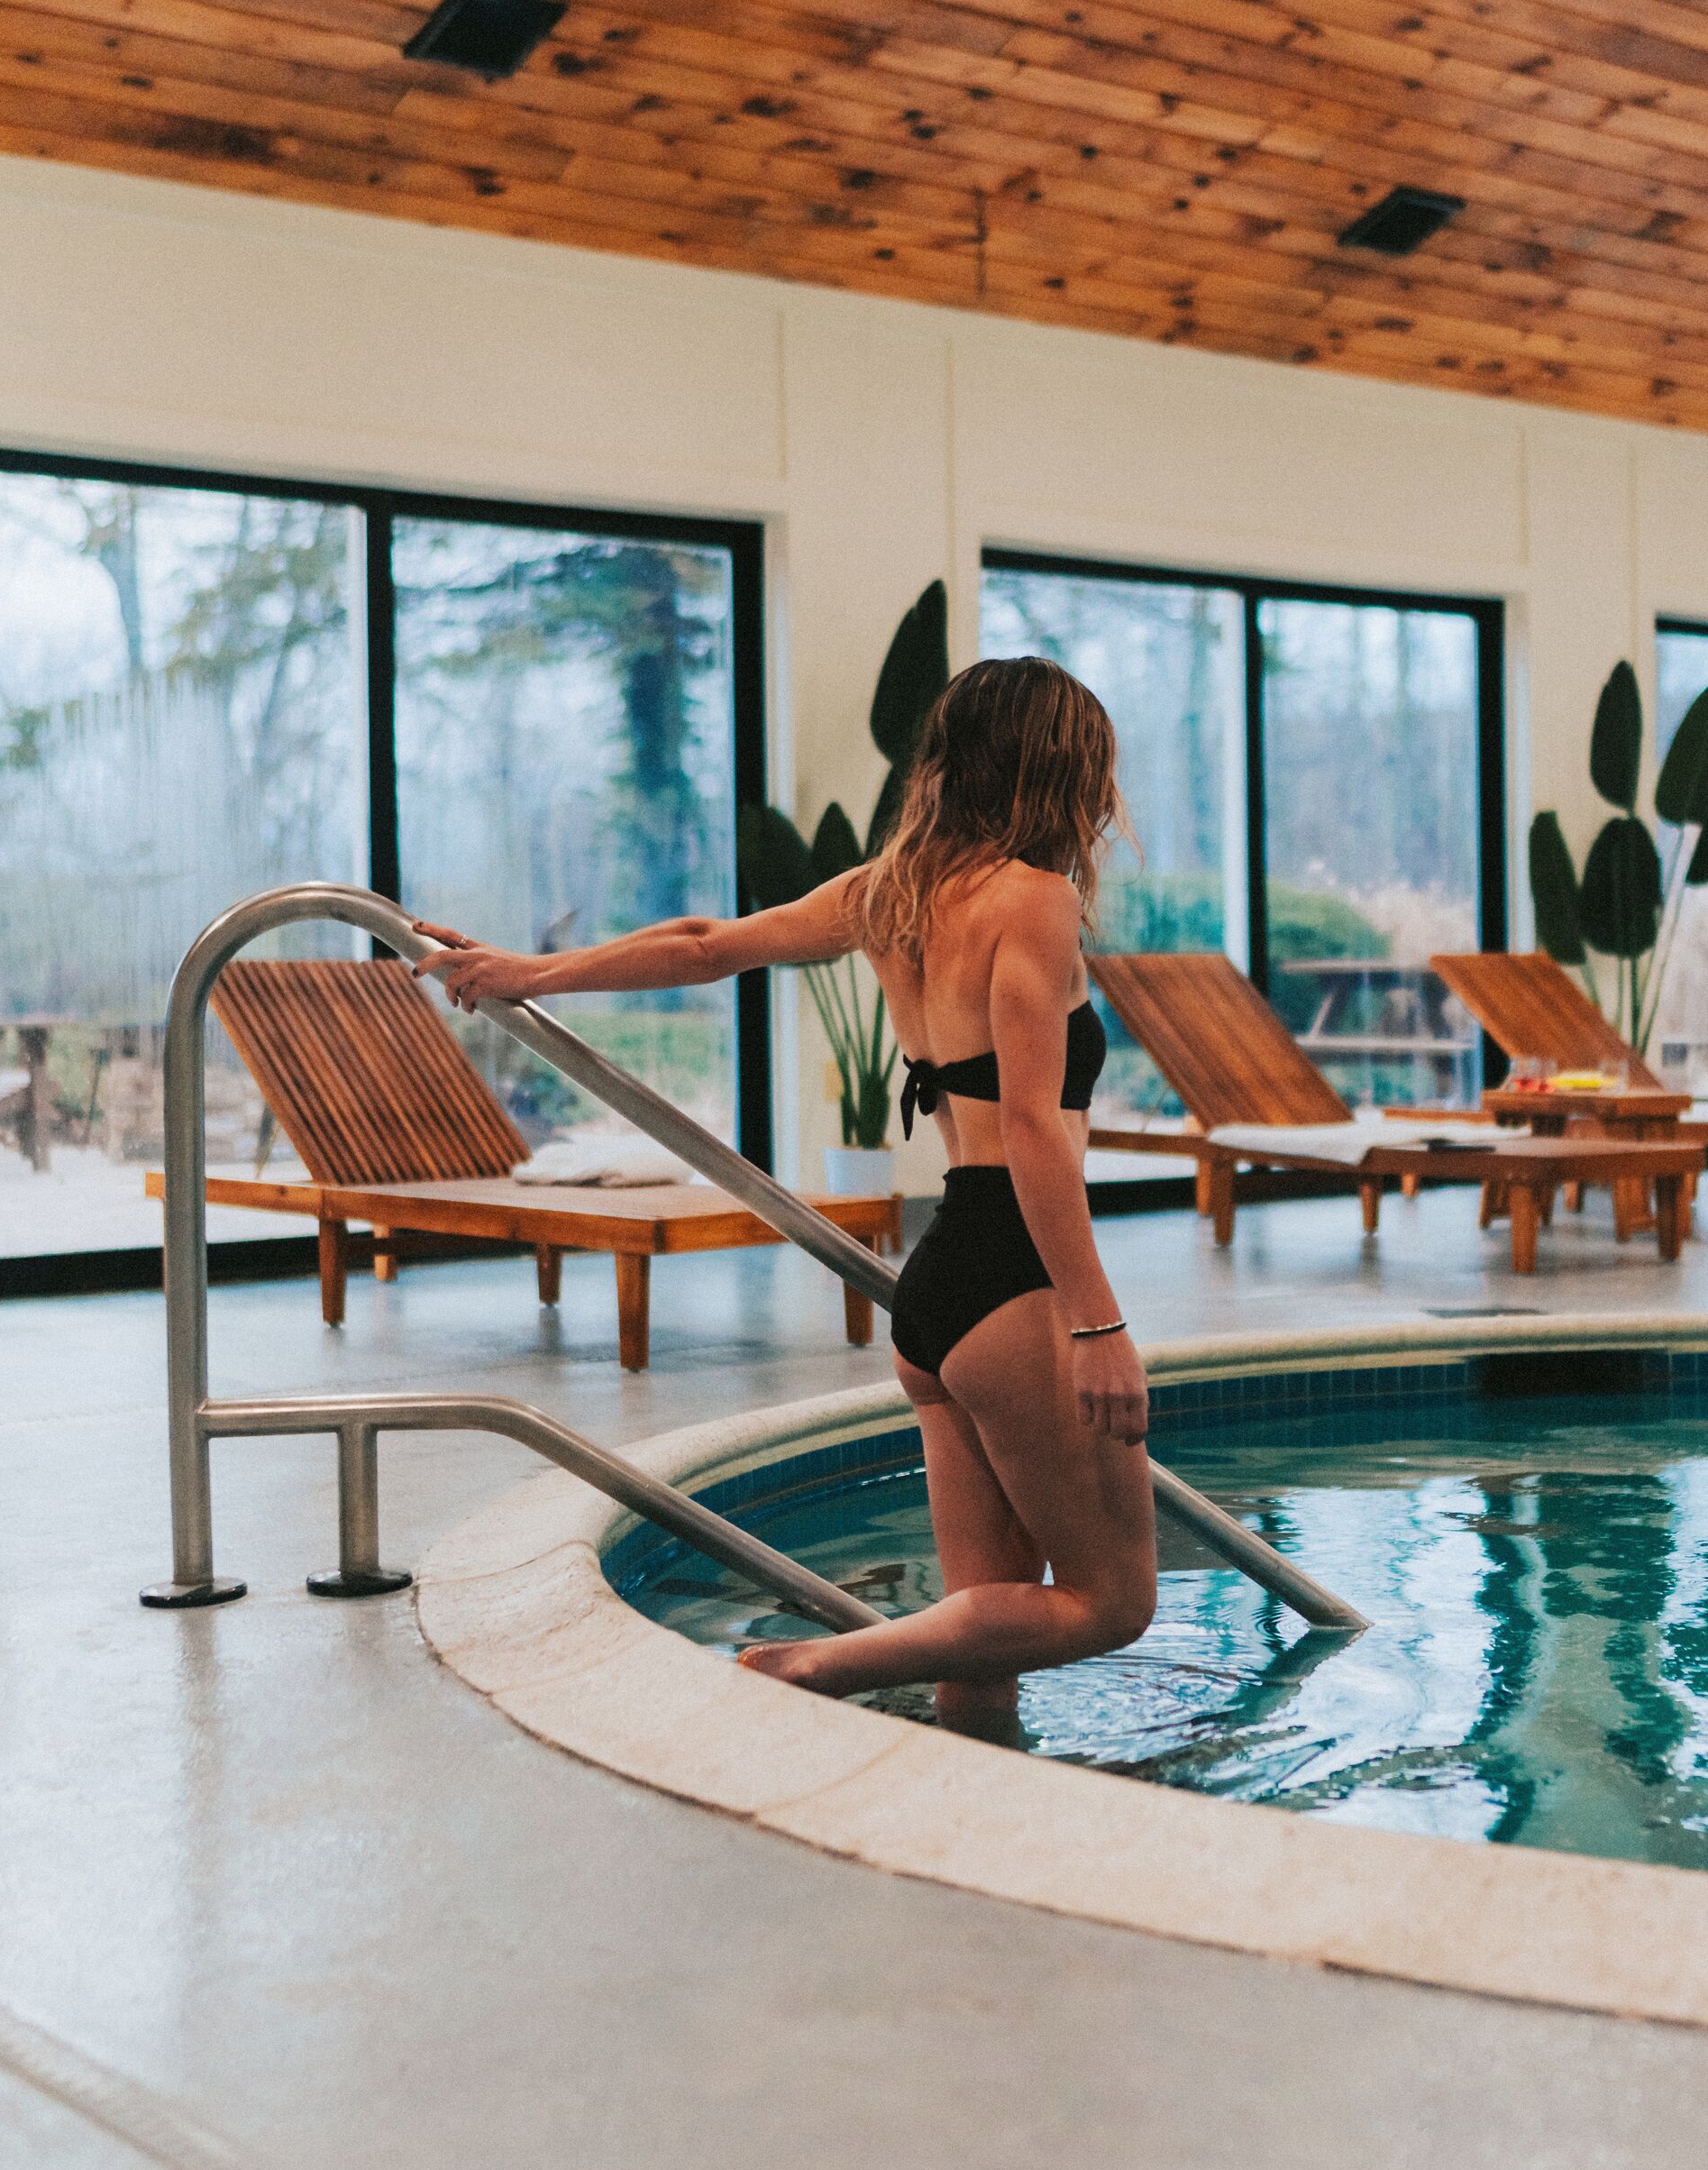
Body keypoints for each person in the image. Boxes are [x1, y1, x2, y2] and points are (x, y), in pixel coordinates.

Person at [412, 655, 1155, 1742]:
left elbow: (706, 948)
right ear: (1058, 772)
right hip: (1013, 1277)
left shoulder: (889, 893)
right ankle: (806, 1664)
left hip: (938, 1288)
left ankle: (968, 1820)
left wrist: (531, 971)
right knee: (1109, 1604)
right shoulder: (1031, 901)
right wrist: (1097, 1322)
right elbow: (1035, 1127)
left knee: (982, 1639)